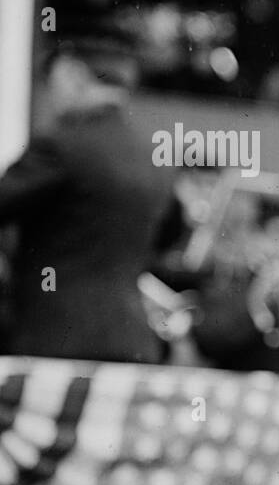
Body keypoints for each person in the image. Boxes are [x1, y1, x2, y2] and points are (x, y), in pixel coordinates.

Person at [0, 20, 177, 364]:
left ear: (72, 74)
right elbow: (168, 237)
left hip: (55, 344)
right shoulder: (155, 156)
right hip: (132, 343)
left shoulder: (62, 144)